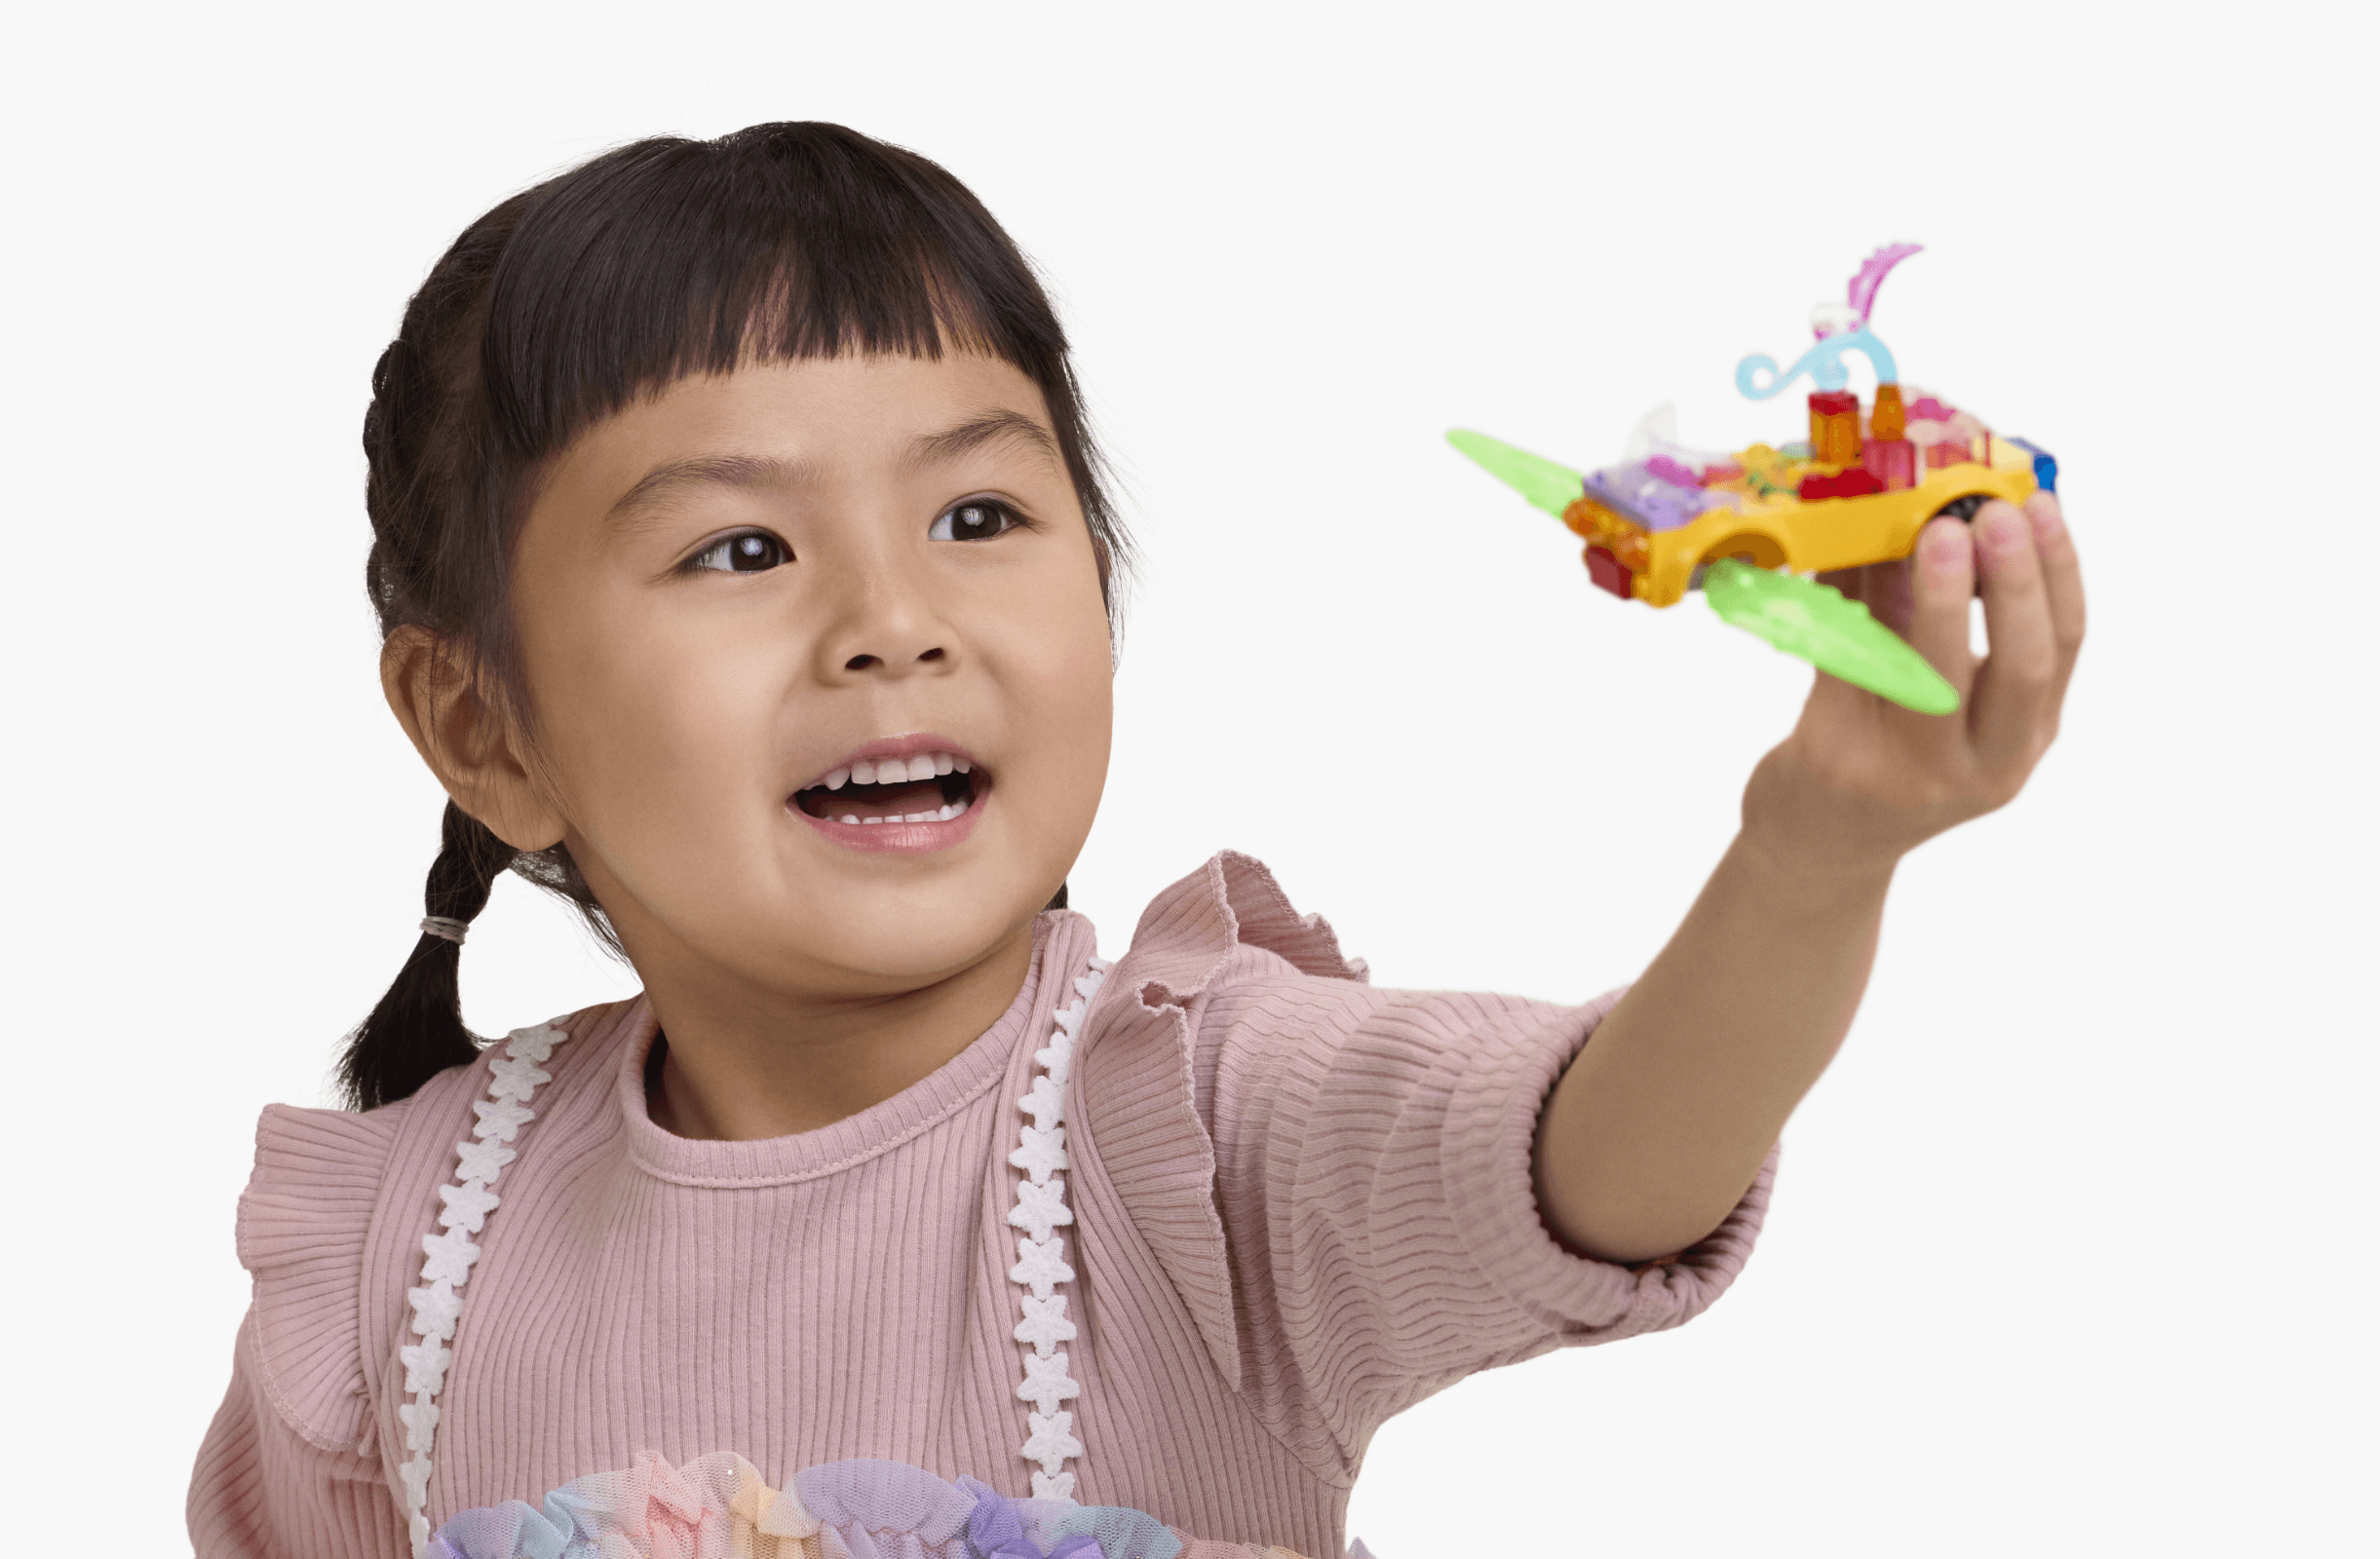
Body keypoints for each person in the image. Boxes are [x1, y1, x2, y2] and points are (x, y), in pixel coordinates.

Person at [185, 122, 2085, 1559]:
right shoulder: (405, 1258)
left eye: (981, 517)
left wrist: (1816, 853)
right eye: (742, 548)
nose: (891, 617)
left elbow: (1605, 1150)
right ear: (484, 729)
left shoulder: (1189, 1121)